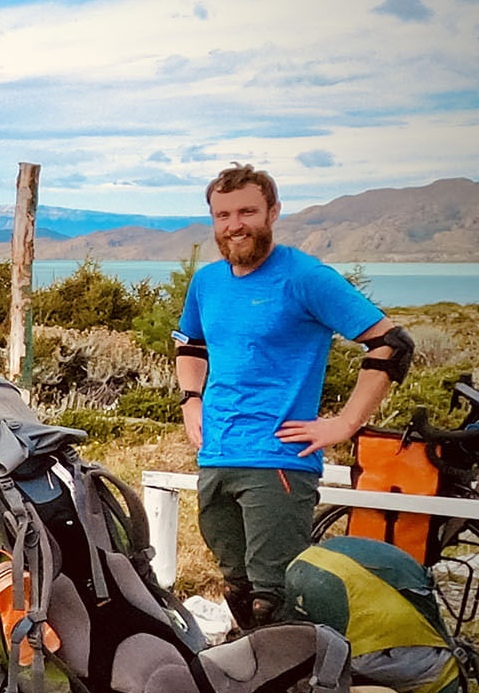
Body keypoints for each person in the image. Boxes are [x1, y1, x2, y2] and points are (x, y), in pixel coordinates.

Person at [174, 164, 413, 630]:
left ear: (273, 212)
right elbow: (191, 343)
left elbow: (392, 344)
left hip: (279, 460)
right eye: (222, 215)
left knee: (274, 596)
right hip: (217, 454)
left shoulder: (305, 277)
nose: (234, 225)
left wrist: (346, 424)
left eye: (247, 211)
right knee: (237, 588)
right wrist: (191, 401)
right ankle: (254, 690)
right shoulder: (208, 282)